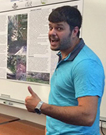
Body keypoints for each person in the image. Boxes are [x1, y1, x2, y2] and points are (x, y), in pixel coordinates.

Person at [25, 6, 105, 135]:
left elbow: (87, 116)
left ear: (75, 31)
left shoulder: (86, 63)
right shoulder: (64, 56)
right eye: (50, 27)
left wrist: (40, 106)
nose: (52, 32)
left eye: (59, 28)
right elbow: (62, 100)